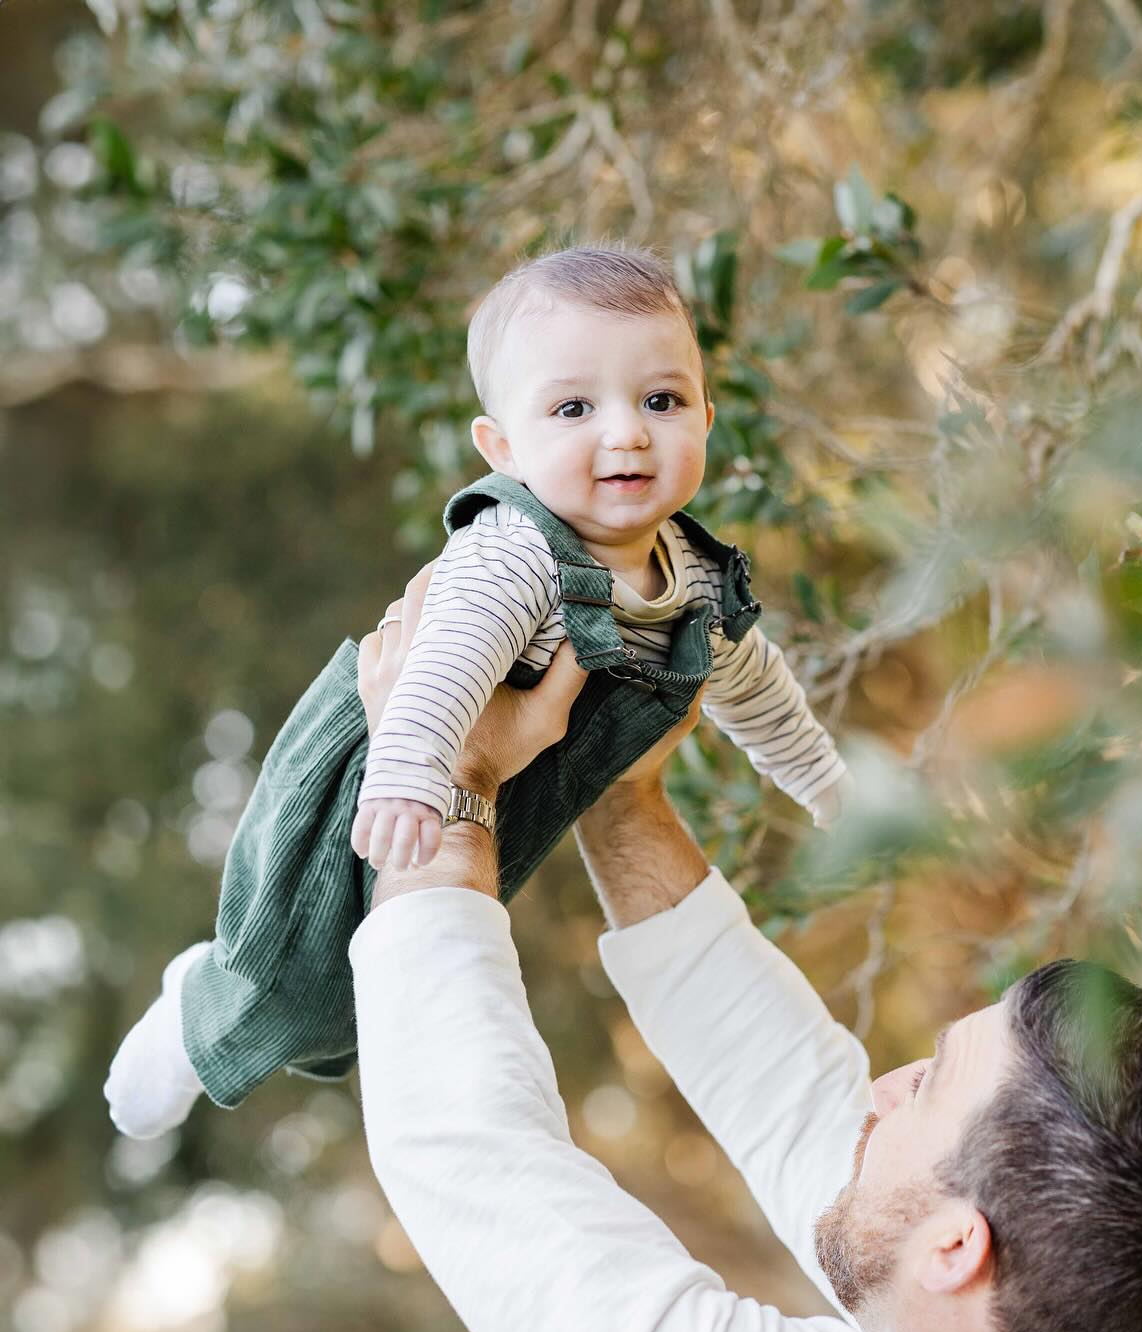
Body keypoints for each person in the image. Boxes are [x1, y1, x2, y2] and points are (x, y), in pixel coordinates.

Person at [352, 580, 1142, 1332]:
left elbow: (475, 1161)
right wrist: (619, 788)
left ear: (960, 1248)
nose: (880, 1088)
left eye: (924, 1092)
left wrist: (444, 789)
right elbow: (800, 1106)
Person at [103, 244, 846, 1139]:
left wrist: (827, 786)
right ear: (504, 447)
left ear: (705, 414)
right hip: (389, 765)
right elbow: (446, 663)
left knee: (379, 996)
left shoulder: (690, 571)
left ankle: (223, 992)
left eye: (662, 400)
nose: (627, 433)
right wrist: (410, 773)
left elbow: (756, 690)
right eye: (574, 407)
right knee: (300, 980)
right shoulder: (514, 553)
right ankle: (196, 1008)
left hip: (513, 790)